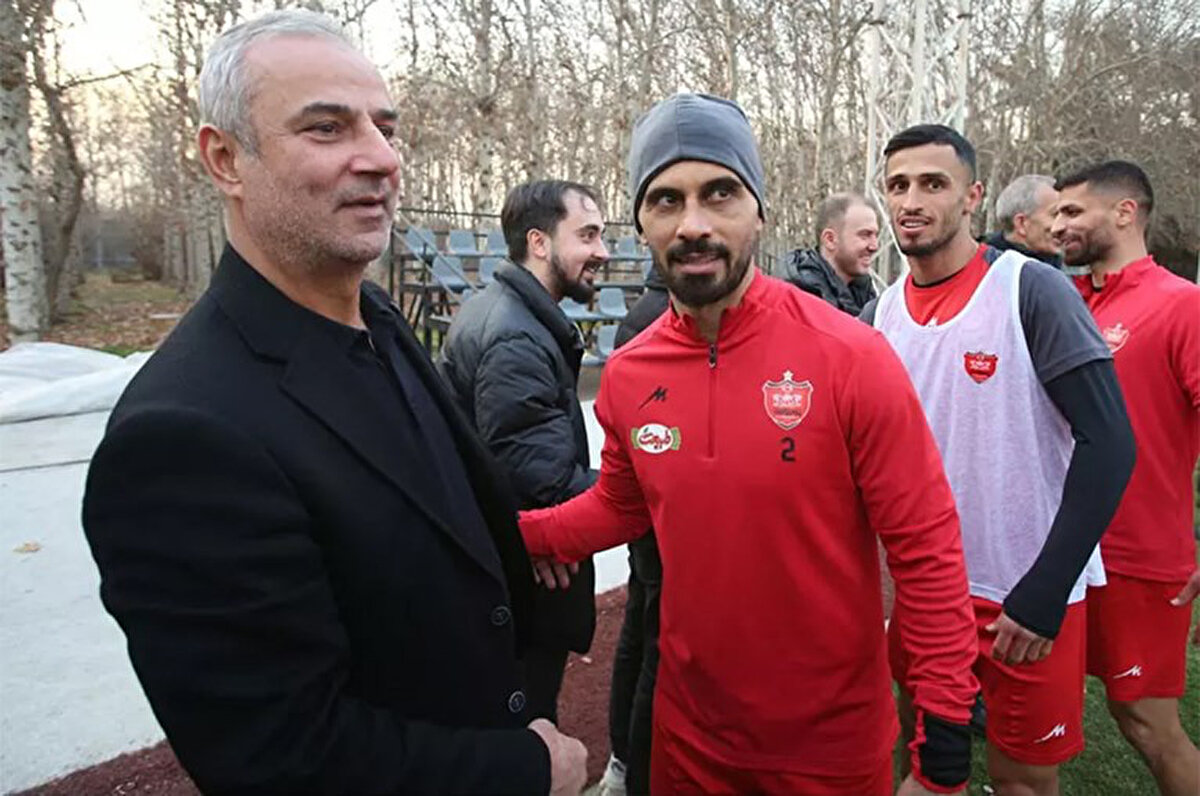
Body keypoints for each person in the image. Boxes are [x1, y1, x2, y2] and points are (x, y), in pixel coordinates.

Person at [81, 11, 586, 795]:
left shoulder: (380, 321)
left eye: (386, 127)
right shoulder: (181, 436)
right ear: (225, 160)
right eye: (327, 129)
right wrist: (525, 769)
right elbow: (280, 757)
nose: (381, 158)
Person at [522, 92, 979, 796]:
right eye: (666, 200)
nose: (694, 224)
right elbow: (619, 506)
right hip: (689, 740)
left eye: (720, 193)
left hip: (830, 750)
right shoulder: (631, 374)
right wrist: (509, 534)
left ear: (759, 209)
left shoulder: (851, 355)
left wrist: (944, 737)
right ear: (641, 221)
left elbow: (927, 546)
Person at [862, 124, 1136, 796]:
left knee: (1021, 780)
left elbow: (1111, 443)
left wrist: (1045, 591)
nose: (912, 200)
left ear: (972, 197)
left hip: (1020, 593)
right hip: (926, 592)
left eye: (933, 183)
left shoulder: (1030, 290)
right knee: (917, 755)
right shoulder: (881, 314)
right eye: (897, 185)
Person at [1053, 160, 1200, 796]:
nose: (1058, 225)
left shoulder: (1182, 305)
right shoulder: (1065, 301)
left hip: (1138, 559)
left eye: (1072, 212)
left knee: (1144, 721)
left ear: (1124, 213)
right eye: (1056, 213)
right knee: (1029, 715)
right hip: (1055, 554)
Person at [439, 179, 606, 723]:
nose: (601, 251)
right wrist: (632, 485)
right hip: (525, 582)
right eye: (587, 235)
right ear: (539, 242)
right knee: (529, 729)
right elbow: (542, 484)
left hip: (510, 571)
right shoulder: (516, 336)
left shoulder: (505, 311)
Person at [596, 265, 669, 796]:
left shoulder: (644, 312)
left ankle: (625, 760)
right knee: (653, 645)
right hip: (656, 515)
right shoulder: (655, 320)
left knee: (639, 636)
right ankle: (633, 765)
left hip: (645, 513)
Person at [786, 192, 880, 314]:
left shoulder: (866, 295)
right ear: (830, 239)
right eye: (865, 235)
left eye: (875, 235)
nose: (874, 246)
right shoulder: (796, 302)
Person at [983, 174, 1062, 265]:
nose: (1063, 224)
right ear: (1021, 223)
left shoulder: (1072, 265)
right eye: (1055, 215)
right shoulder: (982, 269)